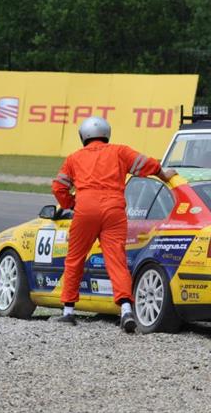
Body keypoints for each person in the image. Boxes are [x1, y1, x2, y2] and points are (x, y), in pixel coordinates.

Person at [51, 116, 177, 333]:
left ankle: (68, 312)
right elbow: (146, 163)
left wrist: (72, 203)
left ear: (83, 136)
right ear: (106, 134)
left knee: (75, 259)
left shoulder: (74, 158)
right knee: (116, 260)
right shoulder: (119, 151)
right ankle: (127, 309)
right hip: (114, 209)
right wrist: (163, 174)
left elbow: (58, 188)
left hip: (85, 209)